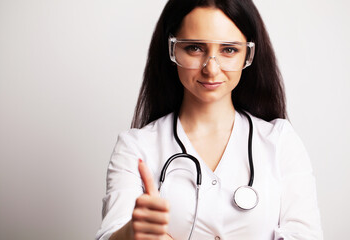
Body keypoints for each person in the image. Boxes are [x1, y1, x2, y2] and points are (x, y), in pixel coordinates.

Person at [96, 0, 323, 239]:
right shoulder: (136, 147)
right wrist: (131, 232)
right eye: (194, 48)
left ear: (249, 53)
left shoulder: (280, 142)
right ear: (172, 49)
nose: (211, 69)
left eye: (229, 50)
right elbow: (109, 233)